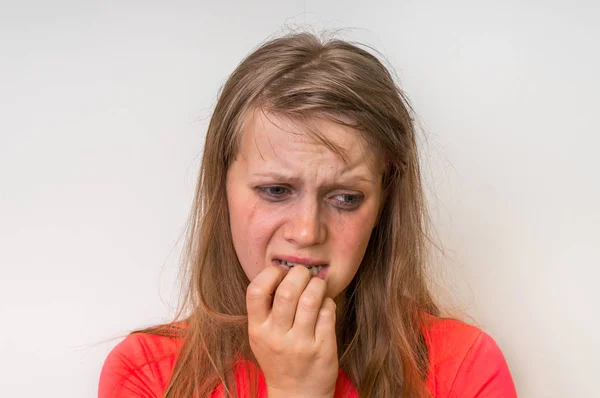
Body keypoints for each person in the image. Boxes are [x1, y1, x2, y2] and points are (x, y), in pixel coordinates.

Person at [98, 32, 517, 398]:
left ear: (383, 204)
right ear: (222, 188)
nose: (305, 231)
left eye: (346, 198)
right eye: (276, 190)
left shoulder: (463, 365)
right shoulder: (148, 375)